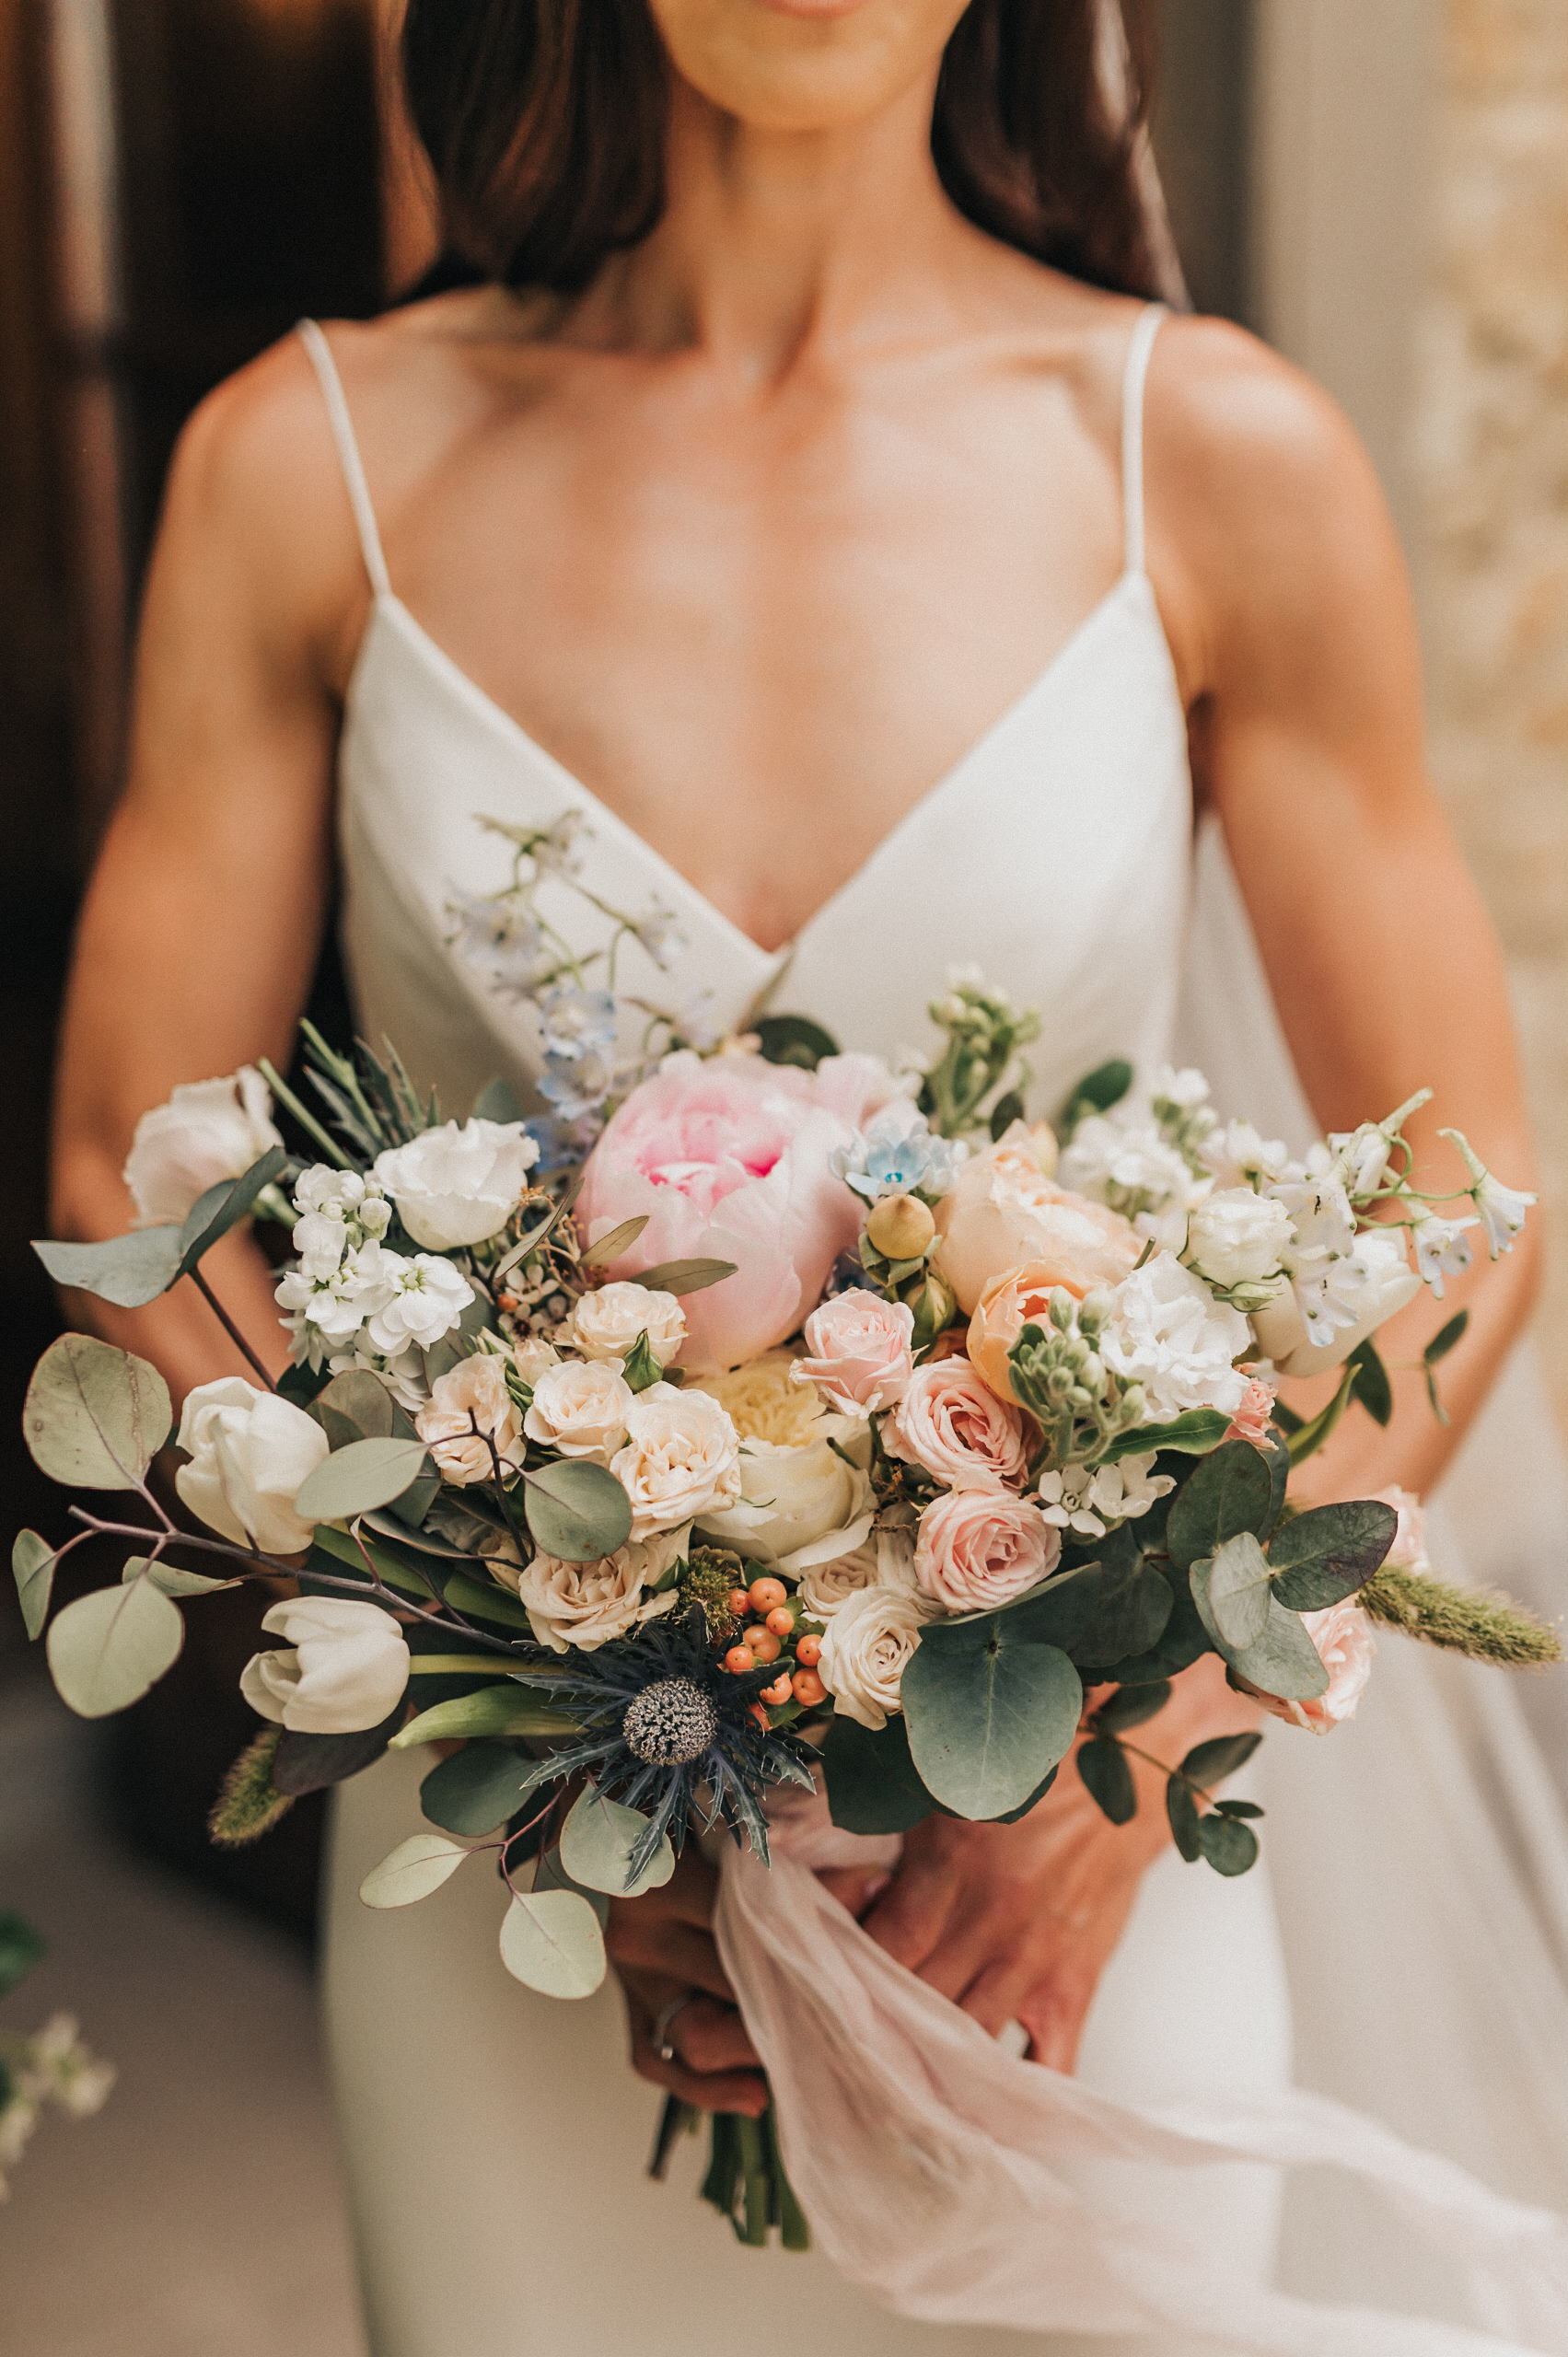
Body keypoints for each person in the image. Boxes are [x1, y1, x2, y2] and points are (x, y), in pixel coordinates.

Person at [49, 4, 1568, 2351]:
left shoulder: (1207, 454)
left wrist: (1127, 1762)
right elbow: (122, 1157)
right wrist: (541, 1736)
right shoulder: (309, 457)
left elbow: (1459, 1187)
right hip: (524, 1921)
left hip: (1066, 1894)